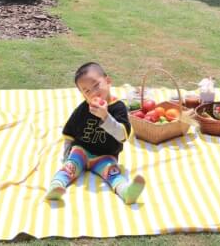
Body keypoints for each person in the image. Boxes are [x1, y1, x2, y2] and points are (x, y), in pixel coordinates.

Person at [45, 62, 146, 204]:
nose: (93, 93)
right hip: (82, 150)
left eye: (96, 85)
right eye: (87, 91)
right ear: (83, 95)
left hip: (105, 155)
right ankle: (55, 186)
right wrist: (67, 154)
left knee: (113, 173)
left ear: (108, 81)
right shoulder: (84, 108)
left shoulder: (118, 108)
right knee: (69, 167)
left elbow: (122, 136)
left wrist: (105, 116)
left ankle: (126, 192)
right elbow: (69, 132)